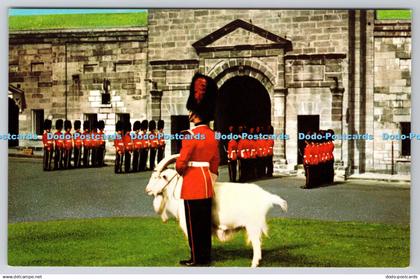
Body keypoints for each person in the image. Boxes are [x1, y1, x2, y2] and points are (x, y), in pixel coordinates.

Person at [176, 73, 219, 266]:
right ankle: (206, 256)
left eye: (191, 112)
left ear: (195, 114)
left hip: (192, 183)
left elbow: (180, 164)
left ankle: (196, 258)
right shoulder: (211, 135)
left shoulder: (191, 136)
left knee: (193, 224)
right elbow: (215, 162)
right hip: (206, 183)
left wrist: (180, 170)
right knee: (204, 224)